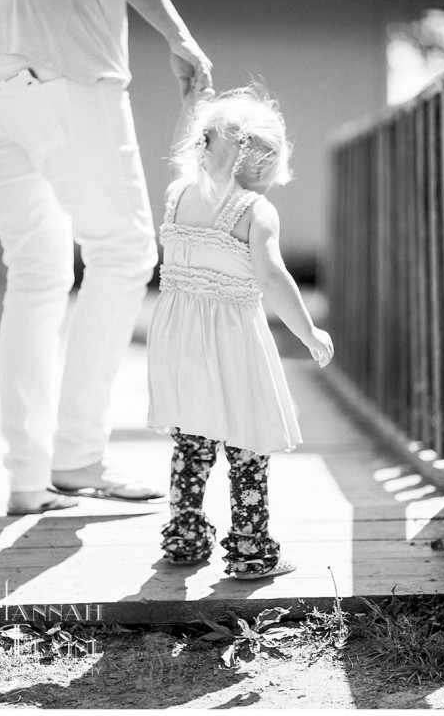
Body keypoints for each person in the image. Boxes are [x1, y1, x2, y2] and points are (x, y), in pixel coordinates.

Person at [0, 0, 213, 516]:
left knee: (36, 271)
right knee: (123, 252)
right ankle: (78, 454)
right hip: (57, 62)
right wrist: (179, 36)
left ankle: (26, 478)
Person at [147, 83, 334, 579]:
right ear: (259, 160)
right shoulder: (254, 210)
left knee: (192, 438)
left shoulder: (176, 195)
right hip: (230, 338)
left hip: (177, 335)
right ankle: (251, 548)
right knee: (246, 441)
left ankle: (185, 539)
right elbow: (273, 277)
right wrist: (310, 332)